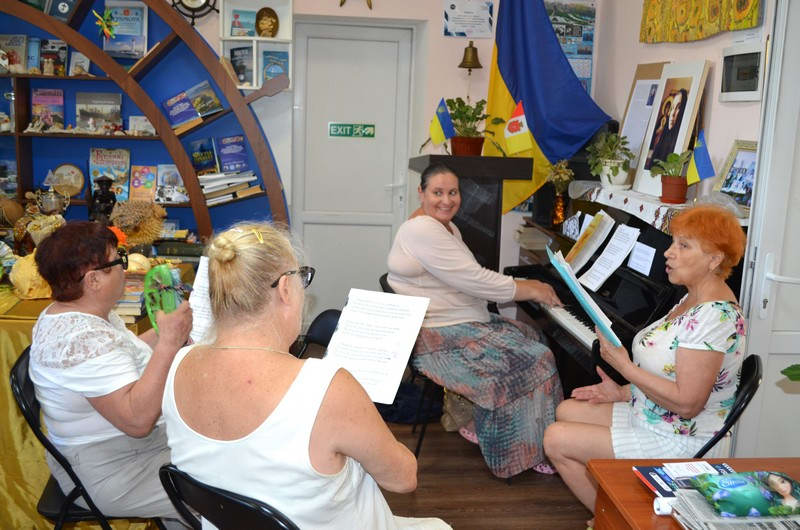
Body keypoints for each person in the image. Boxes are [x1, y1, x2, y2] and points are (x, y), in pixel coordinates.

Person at [161, 222, 450, 529]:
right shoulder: (325, 387)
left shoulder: (180, 364)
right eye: (303, 278)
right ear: (285, 288)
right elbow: (403, 479)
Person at [543, 204, 747, 521]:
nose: (668, 252)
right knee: (567, 410)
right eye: (673, 242)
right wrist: (622, 392)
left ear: (714, 259)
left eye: (683, 246)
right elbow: (669, 372)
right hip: (655, 414)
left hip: (681, 438)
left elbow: (688, 403)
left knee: (555, 439)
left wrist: (625, 368)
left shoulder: (715, 317)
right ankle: (617, 508)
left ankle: (613, 520)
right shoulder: (692, 296)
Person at [386, 163, 564, 479]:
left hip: (453, 321)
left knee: (532, 335)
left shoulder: (445, 227)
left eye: (452, 192)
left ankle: (483, 421)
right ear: (421, 193)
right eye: (437, 192)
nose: (446, 200)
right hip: (437, 338)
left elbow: (465, 279)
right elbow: (474, 279)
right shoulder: (422, 229)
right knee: (539, 358)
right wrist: (531, 288)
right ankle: (518, 450)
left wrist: (522, 289)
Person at [29, 221, 193, 526]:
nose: (125, 270)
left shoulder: (77, 314)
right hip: (113, 468)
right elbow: (137, 421)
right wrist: (169, 343)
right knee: (223, 485)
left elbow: (121, 355)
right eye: (118, 261)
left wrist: (168, 332)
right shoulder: (80, 338)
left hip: (121, 450)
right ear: (93, 280)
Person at [646, 88, 687, 169]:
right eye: (672, 108)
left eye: (678, 107)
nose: (673, 113)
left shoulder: (680, 141)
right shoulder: (664, 136)